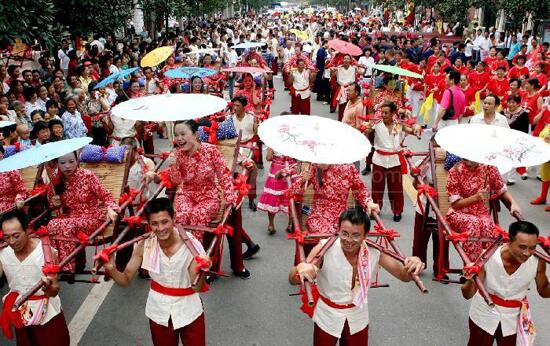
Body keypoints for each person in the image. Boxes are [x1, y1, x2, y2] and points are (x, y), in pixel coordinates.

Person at [288, 207, 425, 346]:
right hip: (327, 316)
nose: (348, 240)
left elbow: (403, 275)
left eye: (355, 235)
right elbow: (293, 280)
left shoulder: (374, 252)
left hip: (358, 316)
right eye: (344, 233)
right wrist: (300, 269)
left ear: (365, 235)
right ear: (338, 230)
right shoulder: (324, 248)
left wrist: (413, 266)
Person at [144, 120, 251, 278]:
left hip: (208, 195)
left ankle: (196, 260)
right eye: (177, 135)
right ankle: (176, 258)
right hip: (186, 194)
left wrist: (229, 197)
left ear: (194, 135)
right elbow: (175, 180)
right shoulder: (178, 154)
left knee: (197, 216)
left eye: (183, 134)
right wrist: (173, 166)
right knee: (179, 218)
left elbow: (223, 174)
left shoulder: (211, 151)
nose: (179, 138)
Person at [104, 198, 210, 346]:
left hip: (190, 311)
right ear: (149, 224)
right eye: (154, 223)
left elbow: (197, 287)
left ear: (174, 219)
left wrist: (202, 271)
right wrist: (112, 269)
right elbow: (125, 279)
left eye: (165, 222)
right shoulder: (144, 245)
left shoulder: (192, 246)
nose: (160, 228)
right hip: (159, 311)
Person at [462, 221, 550, 345]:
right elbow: (467, 294)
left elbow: (544, 290)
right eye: (522, 247)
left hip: (514, 319)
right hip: (483, 315)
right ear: (509, 242)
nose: (527, 253)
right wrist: (471, 281)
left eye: (532, 248)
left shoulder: (538, 262)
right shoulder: (487, 256)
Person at [0, 209, 70, 346]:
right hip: (21, 313)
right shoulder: (3, 252)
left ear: (27, 230)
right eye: (6, 237)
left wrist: (48, 289)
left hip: (48, 315)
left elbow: (54, 290)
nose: (12, 242)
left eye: (16, 235)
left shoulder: (46, 252)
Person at [46, 151, 119, 278]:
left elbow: (105, 195)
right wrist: (54, 202)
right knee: (51, 224)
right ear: (57, 163)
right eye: (62, 163)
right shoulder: (55, 180)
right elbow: (53, 205)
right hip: (71, 218)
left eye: (71, 162)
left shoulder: (87, 176)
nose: (67, 166)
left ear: (77, 161)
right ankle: (57, 263)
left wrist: (110, 208)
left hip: (92, 218)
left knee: (66, 225)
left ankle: (67, 268)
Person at [446, 158, 522, 260]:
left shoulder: (489, 168)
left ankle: (488, 265)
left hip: (481, 214)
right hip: (459, 214)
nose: (469, 162)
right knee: (474, 224)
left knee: (489, 228)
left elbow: (501, 190)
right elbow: (455, 204)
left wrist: (513, 203)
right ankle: (472, 268)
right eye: (466, 158)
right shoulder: (455, 171)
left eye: (472, 158)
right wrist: (475, 198)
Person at [364, 101, 421, 222]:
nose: (383, 115)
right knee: (377, 187)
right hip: (379, 159)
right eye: (382, 112)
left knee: (396, 187)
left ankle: (397, 211)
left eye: (386, 113)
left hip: (394, 160)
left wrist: (416, 130)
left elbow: (411, 130)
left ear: (393, 114)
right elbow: (368, 129)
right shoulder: (377, 124)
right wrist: (367, 127)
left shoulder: (399, 125)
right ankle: (375, 209)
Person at [230, 96, 260, 210]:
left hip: (248, 149)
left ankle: (252, 198)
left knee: (251, 173)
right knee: (234, 175)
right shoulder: (230, 119)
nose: (235, 108)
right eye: (234, 105)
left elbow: (257, 134)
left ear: (244, 107)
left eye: (238, 106)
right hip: (234, 149)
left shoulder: (252, 118)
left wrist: (257, 125)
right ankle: (234, 199)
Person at [257, 146, 296, 234]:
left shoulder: (274, 142)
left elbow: (268, 157)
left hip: (276, 171)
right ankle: (290, 224)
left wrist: (276, 156)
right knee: (290, 197)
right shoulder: (294, 142)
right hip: (290, 170)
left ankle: (271, 225)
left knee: (273, 198)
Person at [0, 144, 28, 213]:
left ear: (2, 155)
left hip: (9, 208)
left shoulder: (10, 169)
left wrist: (19, 199)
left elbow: (21, 191)